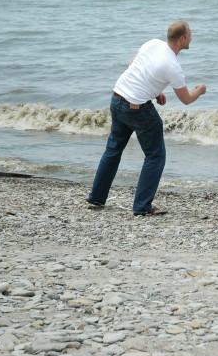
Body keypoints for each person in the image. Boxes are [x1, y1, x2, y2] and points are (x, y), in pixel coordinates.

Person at [87, 20, 206, 215]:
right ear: (182, 39)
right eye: (190, 34)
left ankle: (97, 197)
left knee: (113, 149)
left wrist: (154, 91)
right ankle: (142, 206)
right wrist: (199, 90)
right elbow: (186, 99)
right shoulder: (172, 66)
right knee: (155, 155)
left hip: (117, 97)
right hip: (136, 108)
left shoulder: (152, 43)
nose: (192, 38)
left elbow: (133, 65)